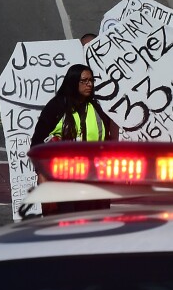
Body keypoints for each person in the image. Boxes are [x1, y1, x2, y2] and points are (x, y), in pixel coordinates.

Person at [30, 64, 118, 215]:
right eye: (84, 81)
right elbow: (37, 144)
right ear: (73, 82)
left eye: (91, 80)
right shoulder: (57, 107)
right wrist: (41, 173)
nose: (89, 84)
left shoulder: (96, 107)